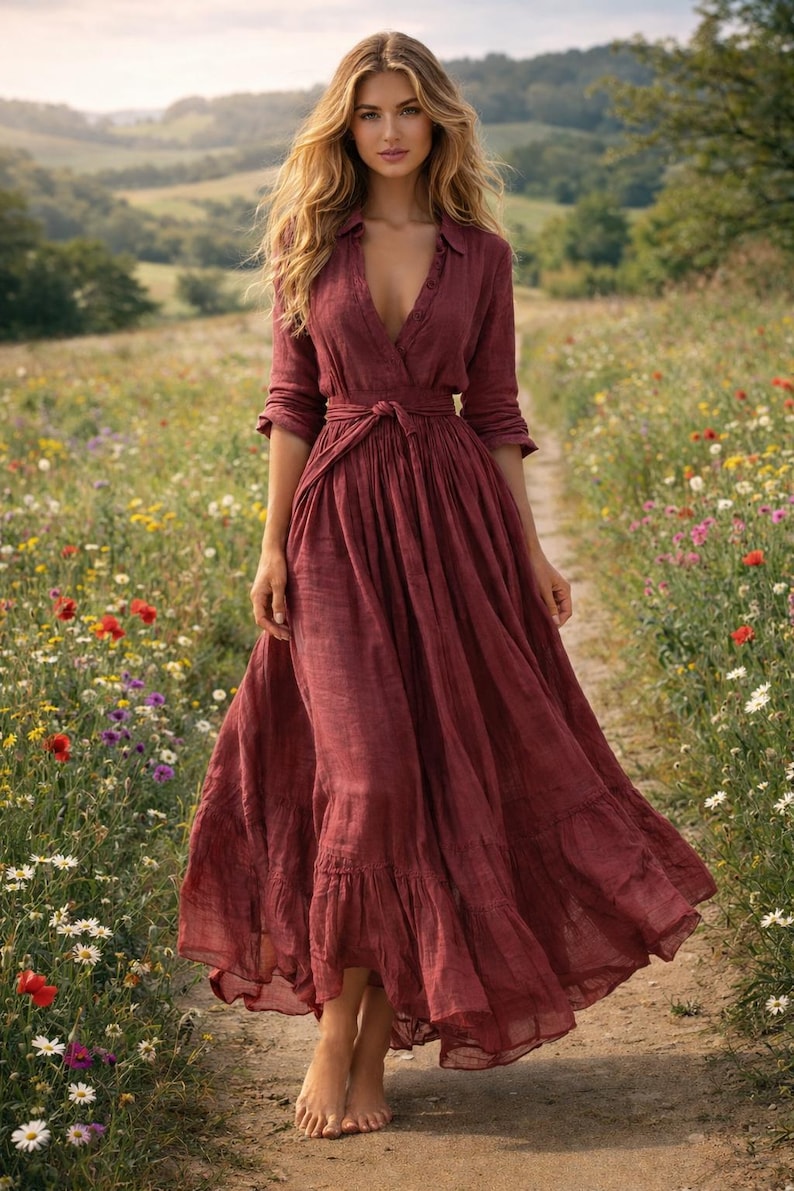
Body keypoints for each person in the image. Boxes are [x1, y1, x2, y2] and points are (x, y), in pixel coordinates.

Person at [178, 30, 716, 1143]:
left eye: (406, 111)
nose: (387, 129)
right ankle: (341, 1029)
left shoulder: (481, 255)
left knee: (427, 781)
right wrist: (269, 546)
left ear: (436, 124)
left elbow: (498, 416)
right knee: (366, 782)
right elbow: (291, 404)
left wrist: (527, 554)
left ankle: (365, 1040)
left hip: (454, 529)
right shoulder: (307, 241)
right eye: (369, 111)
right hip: (334, 529)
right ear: (345, 123)